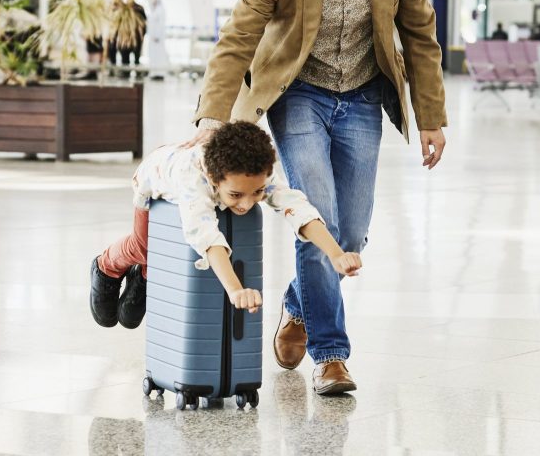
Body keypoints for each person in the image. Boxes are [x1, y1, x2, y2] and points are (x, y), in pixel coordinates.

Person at [185, 0, 448, 397]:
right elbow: (239, 34)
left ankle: (298, 304)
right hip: (298, 93)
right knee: (317, 213)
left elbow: (420, 35)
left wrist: (431, 116)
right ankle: (331, 356)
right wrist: (213, 115)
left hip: (363, 95)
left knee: (348, 234)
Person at [90, 121, 361, 337]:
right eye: (235, 195)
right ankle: (106, 266)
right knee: (144, 245)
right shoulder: (193, 179)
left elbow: (296, 207)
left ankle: (145, 274)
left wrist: (336, 254)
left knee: (129, 316)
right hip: (156, 177)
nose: (246, 204)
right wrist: (235, 290)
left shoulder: (256, 173)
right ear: (214, 178)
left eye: (256, 193)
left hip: (199, 180)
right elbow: (206, 236)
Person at [145, 0, 170, 80]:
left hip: (157, 40)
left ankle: (159, 73)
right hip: (153, 40)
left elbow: (160, 26)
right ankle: (154, 72)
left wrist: (157, 36)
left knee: (159, 57)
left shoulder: (160, 11)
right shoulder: (155, 11)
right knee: (153, 56)